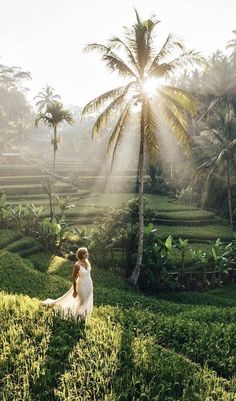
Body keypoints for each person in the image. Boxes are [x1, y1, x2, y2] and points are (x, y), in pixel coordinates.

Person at [41, 247, 93, 321]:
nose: (87, 254)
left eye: (87, 253)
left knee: (87, 300)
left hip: (89, 285)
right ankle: (77, 317)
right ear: (82, 255)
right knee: (82, 301)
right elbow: (74, 278)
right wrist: (75, 290)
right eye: (85, 254)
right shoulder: (77, 265)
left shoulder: (86, 262)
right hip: (81, 286)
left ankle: (83, 316)